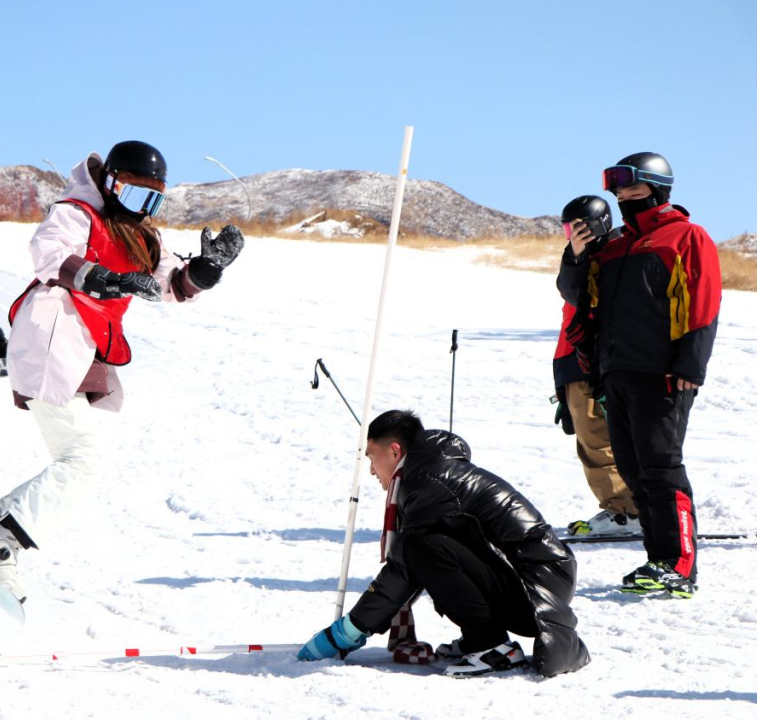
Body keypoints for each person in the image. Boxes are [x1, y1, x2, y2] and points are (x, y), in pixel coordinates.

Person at [0, 140, 244, 602]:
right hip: (52, 338)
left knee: (81, 459)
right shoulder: (77, 212)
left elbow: (169, 284)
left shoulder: (142, 235)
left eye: (152, 199)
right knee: (82, 459)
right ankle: (0, 541)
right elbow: (47, 251)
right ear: (109, 183)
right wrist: (105, 278)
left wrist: (205, 270)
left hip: (85, 349)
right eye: (132, 194)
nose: (140, 207)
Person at [298, 410, 589, 679]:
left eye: (371, 458)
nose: (372, 471)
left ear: (394, 451)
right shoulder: (430, 472)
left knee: (422, 545)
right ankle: (482, 637)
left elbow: (404, 568)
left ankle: (490, 646)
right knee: (429, 545)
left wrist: (348, 632)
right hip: (537, 579)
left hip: (539, 587)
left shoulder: (427, 480)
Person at [558, 152, 721, 599]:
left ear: (658, 188)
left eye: (632, 189)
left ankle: (679, 565)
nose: (623, 197)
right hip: (616, 371)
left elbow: (702, 300)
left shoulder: (685, 237)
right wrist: (575, 257)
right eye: (619, 190)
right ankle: (657, 559)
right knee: (632, 468)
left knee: (660, 466)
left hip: (663, 372)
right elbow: (577, 298)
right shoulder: (611, 246)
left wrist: (690, 364)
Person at [554, 196, 639, 537]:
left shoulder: (616, 253)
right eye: (567, 228)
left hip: (594, 361)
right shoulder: (581, 257)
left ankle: (626, 512)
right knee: (591, 438)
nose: (572, 235)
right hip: (573, 359)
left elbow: (581, 297)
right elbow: (568, 291)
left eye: (578, 227)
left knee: (599, 440)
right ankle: (628, 508)